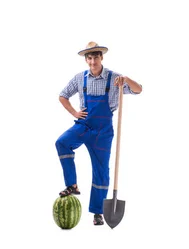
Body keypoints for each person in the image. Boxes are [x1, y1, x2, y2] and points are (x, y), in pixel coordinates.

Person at [55, 41, 143, 226]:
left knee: (101, 171)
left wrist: (126, 80)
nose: (93, 61)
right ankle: (72, 185)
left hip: (103, 131)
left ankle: (98, 212)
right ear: (86, 60)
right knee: (62, 142)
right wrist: (74, 113)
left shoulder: (114, 78)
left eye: (96, 57)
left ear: (101, 57)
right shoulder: (80, 78)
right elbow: (63, 95)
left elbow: (138, 89)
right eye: (89, 57)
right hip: (84, 125)